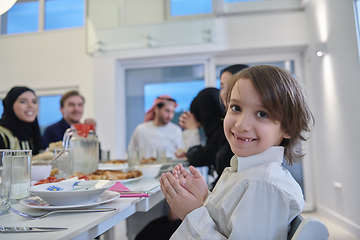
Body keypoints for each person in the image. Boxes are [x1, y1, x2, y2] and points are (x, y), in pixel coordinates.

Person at [160, 65, 314, 239]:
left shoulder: (263, 186)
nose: (241, 124)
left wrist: (192, 213)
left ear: (288, 128)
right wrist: (204, 198)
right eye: (236, 108)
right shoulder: (245, 171)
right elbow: (224, 221)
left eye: (262, 114)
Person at [128, 95, 184, 159]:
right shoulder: (141, 129)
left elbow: (180, 154)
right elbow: (131, 154)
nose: (170, 116)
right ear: (156, 109)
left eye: (172, 112)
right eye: (167, 111)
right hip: (145, 168)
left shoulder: (176, 130)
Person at [0, 86, 43, 155]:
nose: (31, 106)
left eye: (34, 102)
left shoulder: (33, 132)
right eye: (23, 102)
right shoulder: (2, 134)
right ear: (10, 105)